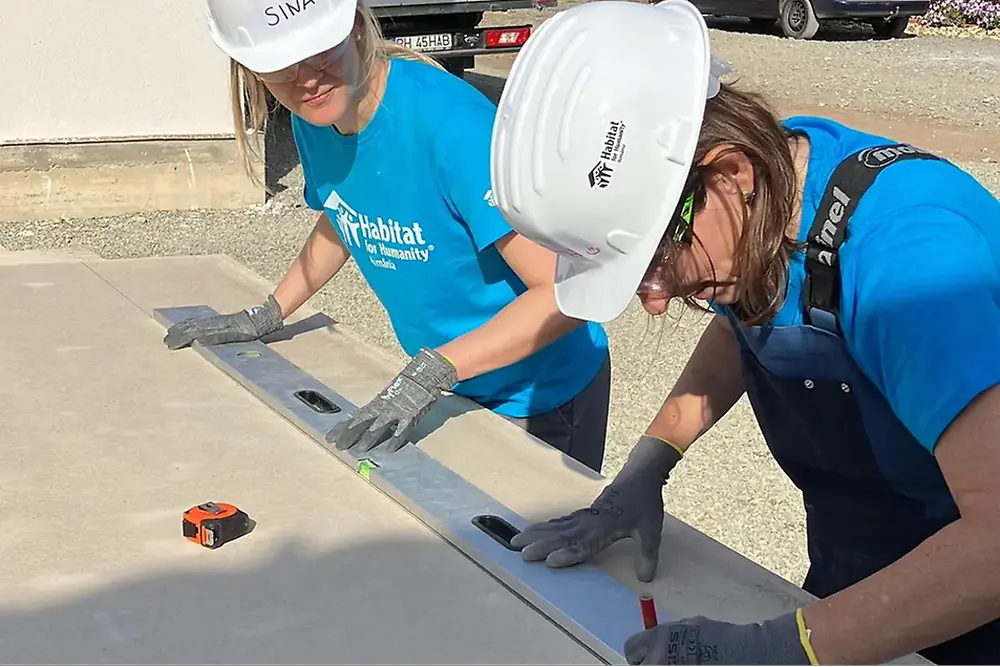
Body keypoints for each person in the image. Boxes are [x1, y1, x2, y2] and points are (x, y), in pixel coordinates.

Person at [489, 0, 1000, 664]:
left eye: (657, 263)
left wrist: (780, 648)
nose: (655, 300)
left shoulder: (911, 262)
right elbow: (753, 326)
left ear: (727, 173)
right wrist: (649, 466)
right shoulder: (766, 198)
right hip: (868, 577)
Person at [162, 0, 612, 472]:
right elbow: (343, 210)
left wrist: (434, 372)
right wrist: (271, 310)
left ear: (355, 26)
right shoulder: (315, 117)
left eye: (319, 52)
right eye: (279, 66)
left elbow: (565, 292)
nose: (307, 79)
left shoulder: (454, 127)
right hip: (453, 381)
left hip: (539, 395)